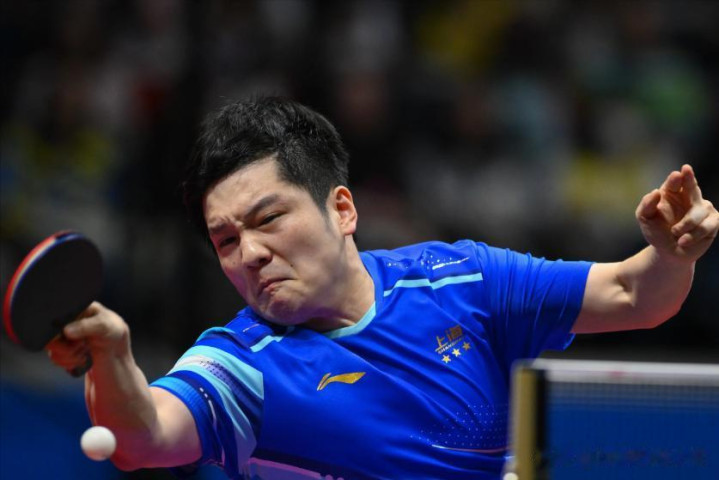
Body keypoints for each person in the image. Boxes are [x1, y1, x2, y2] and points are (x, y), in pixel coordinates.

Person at [47, 97, 718, 480]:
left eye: (268, 219)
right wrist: (113, 356)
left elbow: (636, 296)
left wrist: (668, 254)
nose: (249, 253)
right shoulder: (242, 365)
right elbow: (143, 435)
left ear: (341, 209)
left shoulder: (462, 281)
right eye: (225, 241)